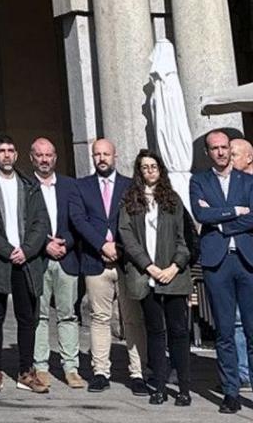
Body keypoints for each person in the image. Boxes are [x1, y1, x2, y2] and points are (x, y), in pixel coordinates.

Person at [68, 137, 146, 394]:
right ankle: (100, 372)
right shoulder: (81, 187)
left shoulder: (130, 185)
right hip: (95, 260)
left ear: (115, 156)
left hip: (127, 263)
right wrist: (103, 245)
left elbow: (138, 220)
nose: (101, 158)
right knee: (99, 318)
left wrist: (120, 248)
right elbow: (79, 220)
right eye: (97, 154)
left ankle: (138, 373)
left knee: (132, 319)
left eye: (106, 154)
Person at [118, 149, 191, 407]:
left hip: (173, 276)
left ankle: (184, 388)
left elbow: (185, 240)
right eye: (144, 167)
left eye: (153, 166)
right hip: (145, 276)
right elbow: (126, 237)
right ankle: (159, 386)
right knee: (155, 333)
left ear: (160, 170)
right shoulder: (130, 201)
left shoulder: (173, 200)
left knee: (179, 332)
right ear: (139, 172)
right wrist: (149, 267)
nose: (149, 171)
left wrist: (174, 267)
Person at [189, 129, 253, 414]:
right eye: (214, 148)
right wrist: (236, 211)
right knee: (224, 332)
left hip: (247, 260)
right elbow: (201, 214)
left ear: (230, 149)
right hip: (217, 263)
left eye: (225, 147)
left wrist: (223, 220)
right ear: (207, 152)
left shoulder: (248, 181)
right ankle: (230, 392)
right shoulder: (199, 181)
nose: (220, 152)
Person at [0, 135, 50, 394]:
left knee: (27, 316)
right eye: (2, 150)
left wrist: (27, 249)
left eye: (11, 150)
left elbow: (40, 222)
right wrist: (8, 250)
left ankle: (25, 371)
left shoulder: (29, 184)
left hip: (26, 259)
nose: (7, 155)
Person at [29, 137, 83, 390]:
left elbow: (79, 221)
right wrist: (43, 245)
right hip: (38, 260)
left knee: (68, 314)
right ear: (32, 157)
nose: (44, 159)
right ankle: (40, 366)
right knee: (38, 316)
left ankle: (71, 367)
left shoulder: (70, 186)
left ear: (55, 158)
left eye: (48, 155)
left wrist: (67, 242)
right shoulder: (26, 186)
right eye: (39, 155)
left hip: (66, 258)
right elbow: (22, 225)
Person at [230, 137, 253, 391]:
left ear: (249, 157)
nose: (228, 157)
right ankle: (243, 372)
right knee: (237, 319)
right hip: (236, 259)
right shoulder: (224, 185)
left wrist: (226, 218)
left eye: (234, 153)